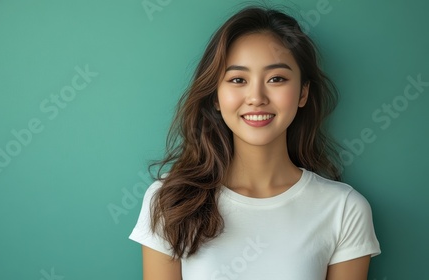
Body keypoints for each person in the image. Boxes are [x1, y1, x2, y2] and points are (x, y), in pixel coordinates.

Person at [129, 6, 381, 280]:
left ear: (303, 93)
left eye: (276, 79)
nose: (256, 96)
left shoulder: (345, 209)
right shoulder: (170, 201)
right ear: (216, 96)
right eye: (238, 79)